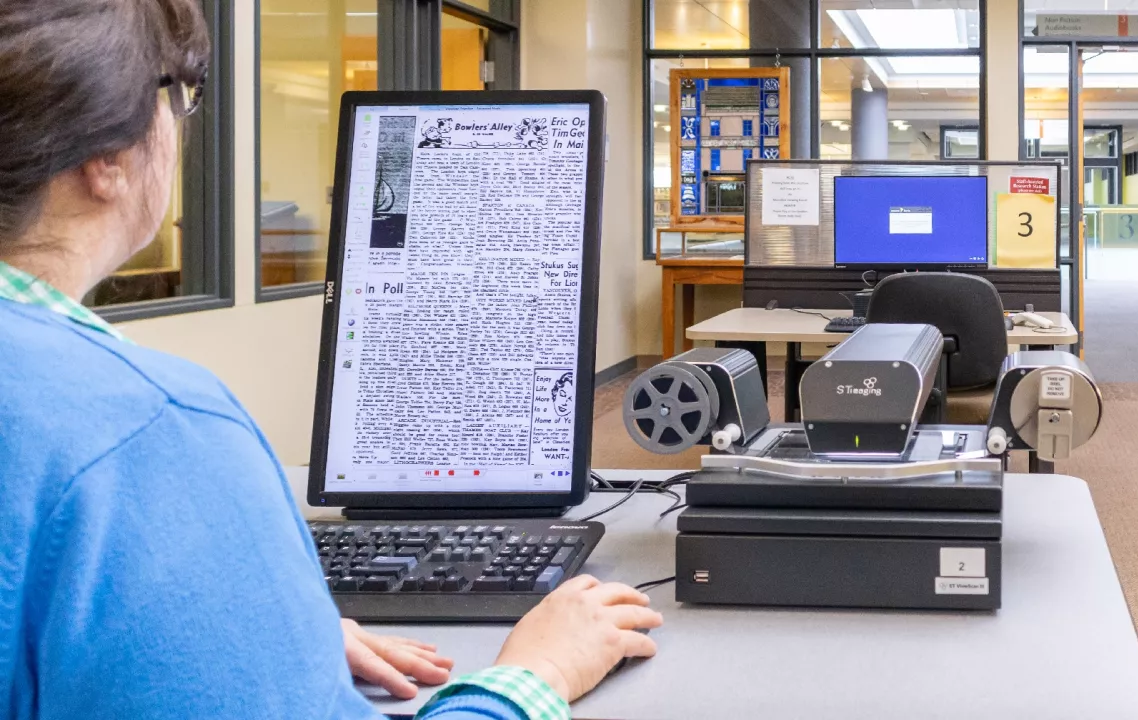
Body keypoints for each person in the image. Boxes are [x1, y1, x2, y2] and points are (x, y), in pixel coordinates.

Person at [0, 2, 662, 719]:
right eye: (176, 97)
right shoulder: (146, 433)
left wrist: (257, 642)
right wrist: (535, 674)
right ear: (106, 159)